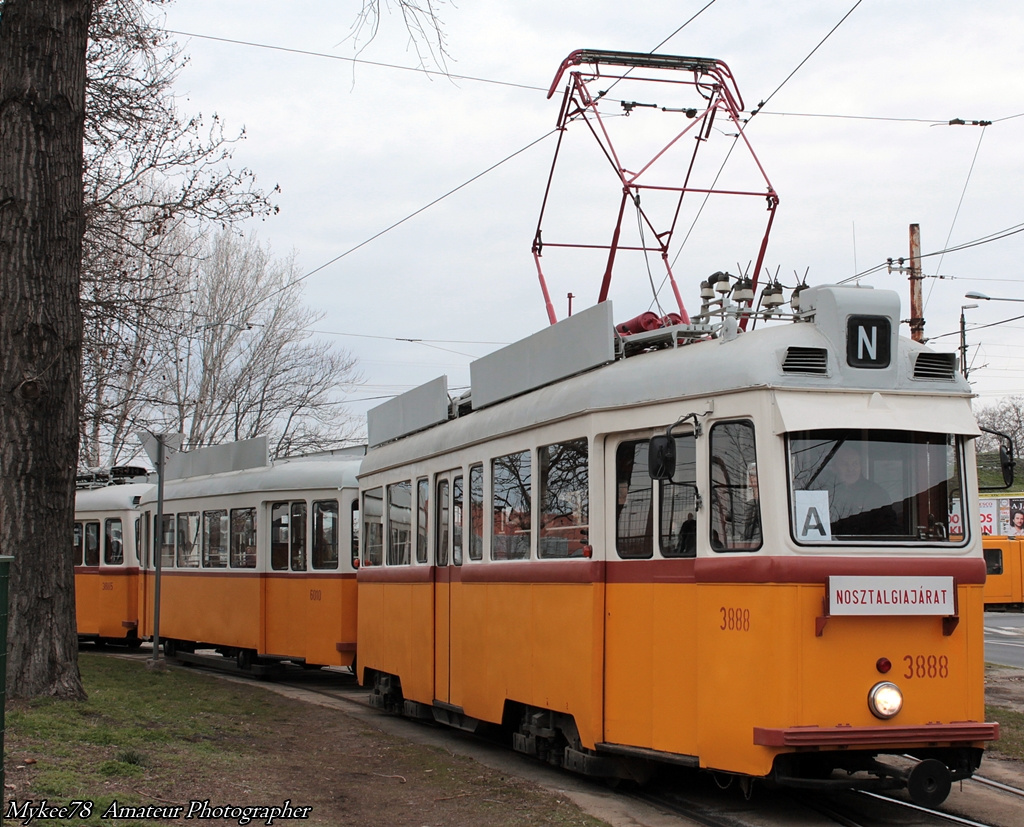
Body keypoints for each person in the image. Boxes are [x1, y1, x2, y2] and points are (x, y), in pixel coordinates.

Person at [827, 446, 897, 535]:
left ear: (861, 466)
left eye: (855, 464)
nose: (851, 469)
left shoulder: (876, 494)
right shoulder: (824, 492)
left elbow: (889, 529)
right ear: (834, 468)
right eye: (845, 464)